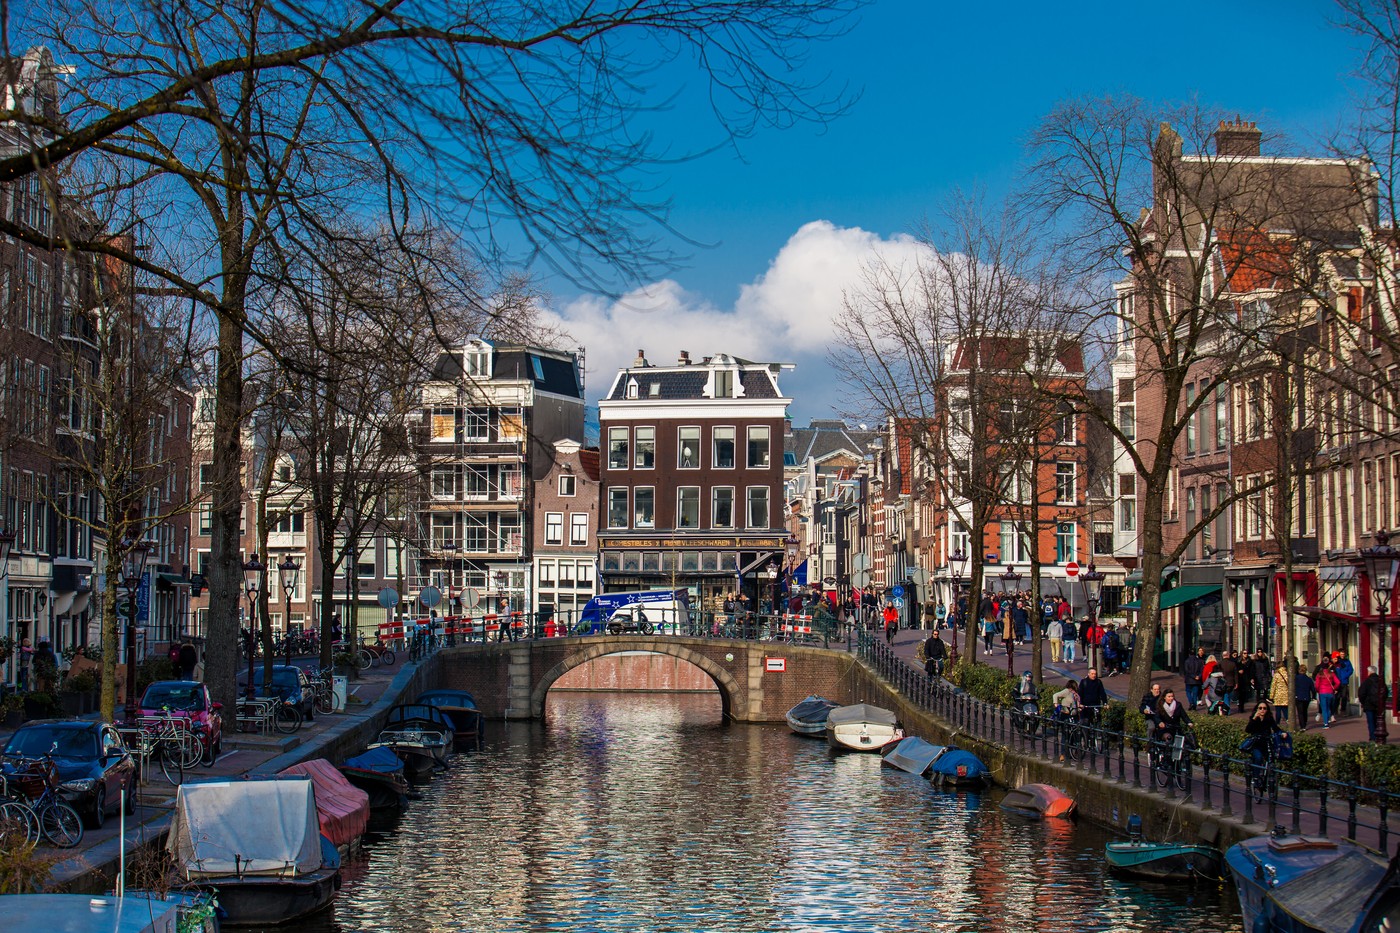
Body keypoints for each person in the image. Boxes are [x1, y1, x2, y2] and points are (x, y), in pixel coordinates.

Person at [1358, 666, 1388, 741]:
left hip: (1369, 705)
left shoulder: (1366, 681)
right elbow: (1386, 692)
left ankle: (1373, 738)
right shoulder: (1381, 681)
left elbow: (1361, 693)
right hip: (1379, 705)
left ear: (1369, 672)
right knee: (1378, 722)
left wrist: (1363, 702)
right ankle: (1379, 736)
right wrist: (1382, 701)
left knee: (1371, 723)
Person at [1315, 660, 1341, 728]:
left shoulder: (1319, 674)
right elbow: (1338, 682)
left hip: (1322, 692)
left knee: (1324, 708)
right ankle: (1329, 718)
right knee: (1329, 707)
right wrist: (1334, 688)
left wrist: (1318, 690)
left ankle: (1326, 723)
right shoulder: (1332, 674)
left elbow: (1317, 685)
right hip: (1330, 692)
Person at [1294, 664, 1317, 731]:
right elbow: (1313, 689)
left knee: (1300, 712)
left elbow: (1293, 688)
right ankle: (1304, 723)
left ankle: (1302, 726)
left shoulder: (1296, 678)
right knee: (1304, 711)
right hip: (1306, 697)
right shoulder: (1308, 679)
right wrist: (1313, 696)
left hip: (1298, 697)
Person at [1334, 651, 1355, 718]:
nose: (1342, 655)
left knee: (1344, 696)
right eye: (1341, 654)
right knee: (1336, 697)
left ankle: (1343, 710)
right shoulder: (1337, 662)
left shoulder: (1347, 661)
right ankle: (1335, 710)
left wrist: (1345, 675)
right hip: (1337, 682)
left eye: (1343, 654)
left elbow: (1351, 670)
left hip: (1344, 681)